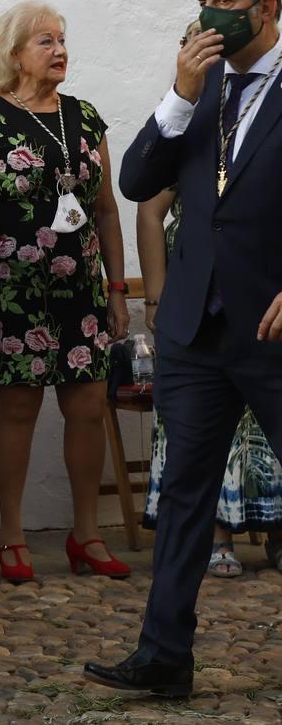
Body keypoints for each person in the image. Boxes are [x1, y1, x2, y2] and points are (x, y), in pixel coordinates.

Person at [87, 0, 282, 698]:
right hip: (197, 331)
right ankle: (164, 653)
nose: (208, 14)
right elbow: (137, 179)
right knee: (185, 497)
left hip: (272, 326)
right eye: (202, 0)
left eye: (223, 0)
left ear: (263, 9)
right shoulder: (199, 92)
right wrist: (179, 93)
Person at [0, 2, 131, 585]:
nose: (60, 50)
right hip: (10, 293)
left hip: (82, 291)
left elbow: (105, 211)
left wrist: (117, 290)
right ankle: (11, 533)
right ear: (15, 52)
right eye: (46, 40)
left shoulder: (86, 117)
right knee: (18, 409)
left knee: (86, 408)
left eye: (63, 39)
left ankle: (87, 534)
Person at [137, 187, 282, 577]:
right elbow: (149, 211)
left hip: (266, 287)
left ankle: (278, 532)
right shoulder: (189, 127)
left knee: (267, 422)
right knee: (205, 421)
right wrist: (156, 297)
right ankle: (217, 536)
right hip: (197, 297)